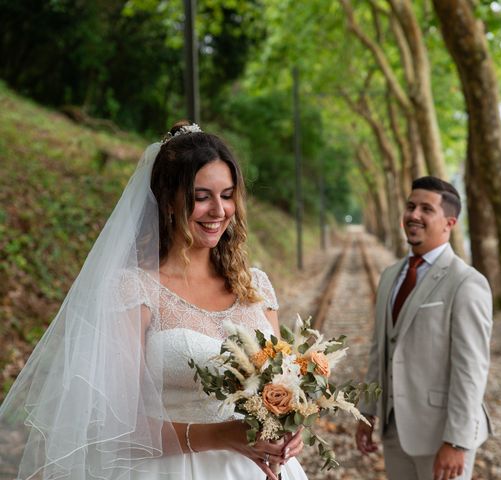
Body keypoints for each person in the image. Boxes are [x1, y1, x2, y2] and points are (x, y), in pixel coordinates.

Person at [0, 122, 306, 480]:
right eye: (201, 195)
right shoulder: (134, 291)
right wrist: (222, 435)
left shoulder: (256, 288)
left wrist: (289, 429)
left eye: (227, 195)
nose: (218, 210)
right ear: (170, 199)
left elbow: (284, 384)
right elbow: (112, 426)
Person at [355, 176, 493, 480]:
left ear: (449, 222)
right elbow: (380, 349)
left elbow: (471, 368)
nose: (414, 215)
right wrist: (366, 411)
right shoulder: (391, 276)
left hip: (441, 435)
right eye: (410, 206)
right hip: (394, 430)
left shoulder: (467, 283)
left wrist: (457, 441)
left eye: (426, 209)